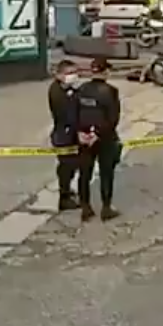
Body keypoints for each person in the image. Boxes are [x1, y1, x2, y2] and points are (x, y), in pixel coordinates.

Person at [73, 58, 123, 221]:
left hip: (84, 138)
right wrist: (98, 134)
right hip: (105, 139)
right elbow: (113, 118)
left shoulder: (81, 89)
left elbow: (74, 114)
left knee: (84, 173)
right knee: (106, 173)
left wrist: (81, 132)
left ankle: (85, 208)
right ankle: (106, 208)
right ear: (106, 71)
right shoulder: (110, 91)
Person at [48, 60, 83, 211]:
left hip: (67, 134)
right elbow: (69, 115)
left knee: (72, 165)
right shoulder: (58, 93)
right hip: (64, 135)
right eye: (69, 73)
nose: (73, 76)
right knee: (67, 166)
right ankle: (64, 197)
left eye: (75, 73)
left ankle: (67, 190)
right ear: (59, 75)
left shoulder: (67, 89)